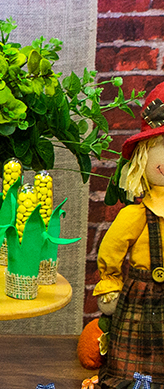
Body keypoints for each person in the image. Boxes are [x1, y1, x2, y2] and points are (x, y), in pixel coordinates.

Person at [94, 83, 164, 389]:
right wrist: (110, 283)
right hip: (143, 297)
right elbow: (112, 248)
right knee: (136, 364)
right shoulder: (137, 214)